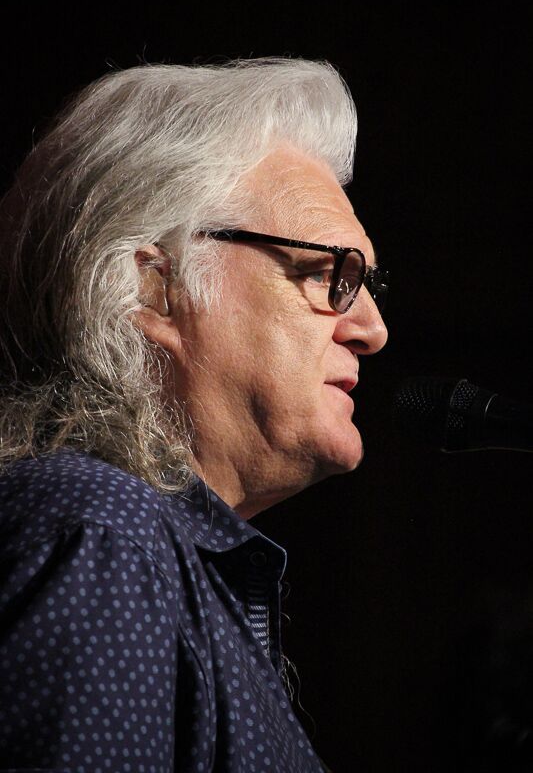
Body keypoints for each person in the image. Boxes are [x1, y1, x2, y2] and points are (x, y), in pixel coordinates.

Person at [0, 58, 388, 772]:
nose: (371, 328)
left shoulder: (136, 548)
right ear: (154, 287)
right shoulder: (105, 537)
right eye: (328, 275)